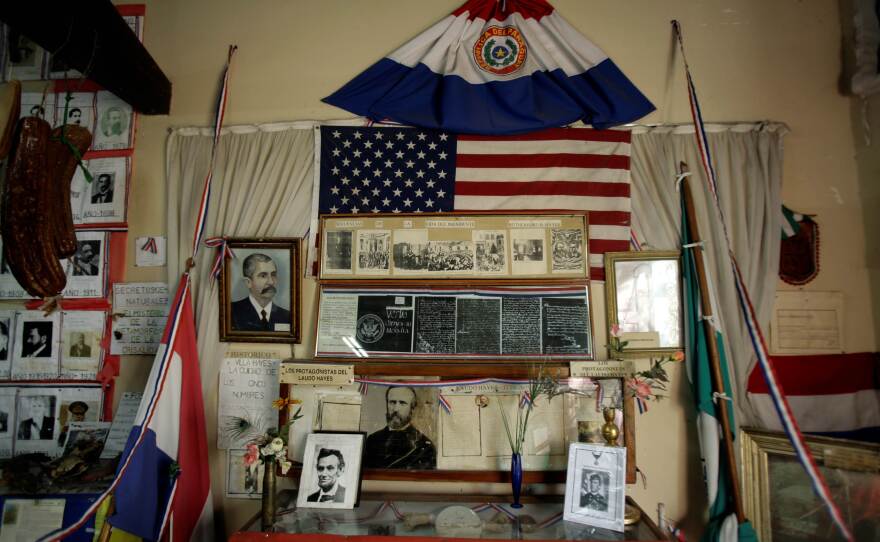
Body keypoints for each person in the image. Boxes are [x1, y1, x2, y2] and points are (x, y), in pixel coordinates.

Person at [364, 386, 436, 469]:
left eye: (402, 403)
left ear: (412, 408)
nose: (396, 409)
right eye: (392, 402)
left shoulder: (424, 446)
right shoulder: (372, 440)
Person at [230, 253, 291, 331]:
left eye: (273, 275)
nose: (271, 282)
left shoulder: (287, 316)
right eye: (263, 276)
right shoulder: (232, 312)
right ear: (248, 282)